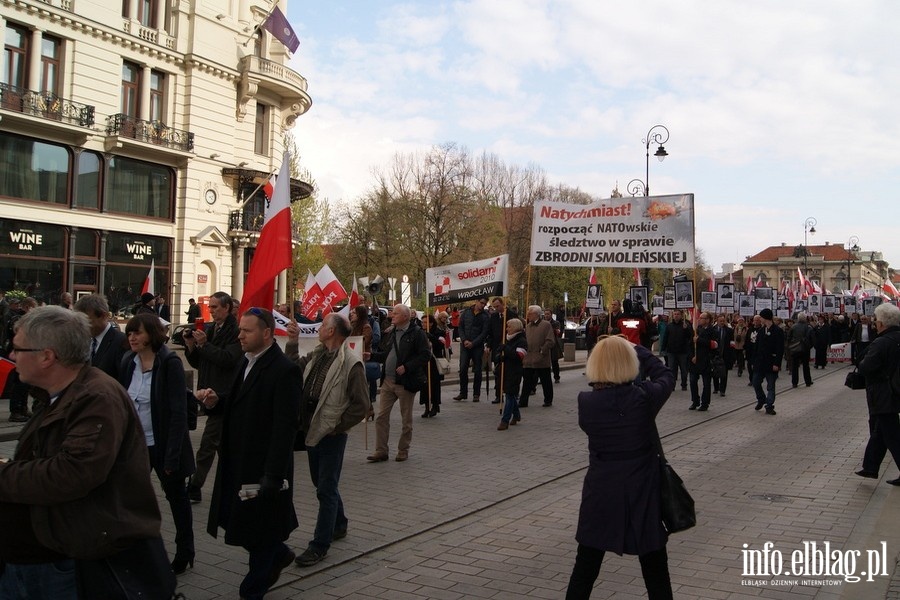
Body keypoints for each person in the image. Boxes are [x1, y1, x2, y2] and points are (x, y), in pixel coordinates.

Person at [0, 306, 172, 599]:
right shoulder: (58, 393)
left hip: (65, 565)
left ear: (47, 356)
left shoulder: (97, 398)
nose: (12, 356)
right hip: (39, 558)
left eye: (17, 348)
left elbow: (71, 473)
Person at [201, 307, 301, 600]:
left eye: (247, 331)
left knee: (261, 531)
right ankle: (280, 554)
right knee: (245, 525)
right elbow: (241, 401)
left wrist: (273, 474)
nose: (240, 335)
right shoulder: (246, 362)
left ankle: (252, 590)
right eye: (240, 329)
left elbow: (285, 428)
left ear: (267, 333)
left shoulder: (285, 370)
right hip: (238, 461)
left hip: (263, 467)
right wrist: (215, 402)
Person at [565, 335, 674, 599]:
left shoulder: (586, 402)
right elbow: (666, 376)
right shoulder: (643, 398)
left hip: (601, 487)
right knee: (655, 566)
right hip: (642, 487)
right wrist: (640, 350)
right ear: (630, 362)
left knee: (586, 564)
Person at [285, 313, 370, 567]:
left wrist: (337, 427)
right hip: (311, 430)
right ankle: (340, 523)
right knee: (322, 483)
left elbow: (361, 405)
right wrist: (292, 341)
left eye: (323, 326)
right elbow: (291, 370)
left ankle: (320, 544)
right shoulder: (317, 356)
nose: (320, 329)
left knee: (325, 488)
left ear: (332, 331)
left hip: (330, 435)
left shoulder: (351, 364)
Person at [120, 313, 196, 574]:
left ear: (151, 334)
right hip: (136, 446)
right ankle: (140, 552)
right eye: (129, 333)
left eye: (137, 333)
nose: (132, 337)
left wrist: (172, 456)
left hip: (164, 445)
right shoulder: (128, 361)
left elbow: (177, 412)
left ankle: (185, 550)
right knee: (135, 500)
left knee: (177, 499)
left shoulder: (169, 362)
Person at [184, 291, 242, 504]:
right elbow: (201, 363)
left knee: (209, 444)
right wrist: (191, 346)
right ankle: (228, 485)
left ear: (227, 308)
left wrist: (204, 345)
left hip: (224, 396)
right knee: (219, 445)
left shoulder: (235, 331)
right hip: (209, 393)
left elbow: (228, 359)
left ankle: (195, 486)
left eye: (216, 307)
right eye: (211, 307)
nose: (212, 311)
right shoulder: (210, 328)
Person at [367, 304, 431, 463]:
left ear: (405, 317)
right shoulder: (391, 332)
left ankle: (403, 450)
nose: (391, 316)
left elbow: (425, 355)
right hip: (388, 381)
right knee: (381, 417)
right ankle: (381, 450)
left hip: (405, 382)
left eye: (395, 314)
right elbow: (387, 354)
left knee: (406, 420)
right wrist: (372, 356)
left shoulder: (417, 333)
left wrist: (407, 367)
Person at [855, 303, 900, 484]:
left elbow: (866, 366)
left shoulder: (881, 342)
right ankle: (870, 467)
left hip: (882, 393)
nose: (874, 323)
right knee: (880, 431)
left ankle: (871, 467)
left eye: (876, 320)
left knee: (892, 435)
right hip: (894, 391)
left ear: (882, 323)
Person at [73, 293, 127, 379]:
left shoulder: (121, 342)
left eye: (87, 322)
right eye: (80, 323)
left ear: (103, 316)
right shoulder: (83, 341)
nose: (82, 327)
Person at [454, 298, 490, 402]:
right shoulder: (466, 312)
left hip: (477, 346)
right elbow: (460, 327)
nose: (482, 305)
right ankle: (463, 392)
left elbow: (484, 332)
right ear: (476, 301)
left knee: (477, 370)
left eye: (484, 303)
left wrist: (473, 343)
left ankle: (476, 393)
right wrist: (464, 340)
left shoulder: (485, 316)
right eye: (481, 302)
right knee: (463, 368)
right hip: (465, 345)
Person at [519, 305, 555, 408]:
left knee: (545, 380)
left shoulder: (546, 325)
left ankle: (548, 400)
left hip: (541, 358)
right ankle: (523, 401)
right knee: (526, 381)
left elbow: (550, 341)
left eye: (529, 313)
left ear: (536, 314)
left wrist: (542, 350)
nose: (528, 315)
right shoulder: (528, 326)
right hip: (528, 359)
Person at [495, 318, 527, 430]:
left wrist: (506, 350)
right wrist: (500, 356)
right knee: (511, 395)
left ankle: (505, 420)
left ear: (515, 328)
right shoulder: (507, 339)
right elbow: (503, 353)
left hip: (515, 371)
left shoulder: (521, 340)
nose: (507, 329)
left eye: (509, 327)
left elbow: (519, 356)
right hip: (505, 370)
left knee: (509, 395)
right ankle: (517, 415)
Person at [752, 308, 784, 415]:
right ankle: (761, 399)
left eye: (761, 317)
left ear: (765, 318)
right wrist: (754, 361)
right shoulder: (761, 331)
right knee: (755, 382)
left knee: (770, 386)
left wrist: (777, 363)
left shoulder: (778, 331)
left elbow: (780, 349)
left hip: (771, 363)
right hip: (760, 363)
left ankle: (769, 405)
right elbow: (757, 347)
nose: (760, 319)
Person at [487, 297, 516, 403]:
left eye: (498, 306)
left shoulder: (511, 314)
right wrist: (489, 345)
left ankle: (511, 393)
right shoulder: (494, 316)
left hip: (509, 346)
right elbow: (490, 332)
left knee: (508, 372)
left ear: (503, 304)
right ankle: (498, 395)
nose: (496, 308)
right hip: (497, 347)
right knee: (498, 372)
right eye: (494, 307)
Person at [689, 312, 716, 411]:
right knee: (692, 381)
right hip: (695, 361)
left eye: (702, 318)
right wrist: (692, 356)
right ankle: (695, 401)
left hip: (706, 361)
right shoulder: (697, 330)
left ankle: (705, 403)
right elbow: (690, 345)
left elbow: (714, 345)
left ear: (708, 320)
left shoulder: (713, 331)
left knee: (706, 383)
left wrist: (699, 340)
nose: (699, 319)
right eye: (699, 317)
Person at [422, 314, 448, 418]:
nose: (423, 324)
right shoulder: (420, 332)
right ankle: (426, 406)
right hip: (424, 362)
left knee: (434, 385)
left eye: (425, 322)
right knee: (424, 385)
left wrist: (431, 337)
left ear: (431, 323)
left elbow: (441, 345)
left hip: (434, 362)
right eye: (422, 322)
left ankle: (435, 405)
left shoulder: (438, 332)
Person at [663, 309, 692, 391]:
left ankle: (684, 385)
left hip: (682, 351)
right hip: (671, 351)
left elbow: (690, 337)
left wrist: (686, 329)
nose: (676, 315)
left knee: (683, 369)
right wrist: (663, 349)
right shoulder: (669, 326)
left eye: (678, 314)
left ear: (681, 315)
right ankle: (672, 385)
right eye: (675, 314)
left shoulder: (685, 325)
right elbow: (665, 338)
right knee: (671, 369)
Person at [787, 312, 814, 387]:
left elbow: (788, 337)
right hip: (805, 349)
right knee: (806, 366)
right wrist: (809, 346)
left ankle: (794, 383)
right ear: (805, 318)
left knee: (794, 366)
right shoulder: (808, 327)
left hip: (795, 349)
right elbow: (812, 339)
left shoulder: (793, 327)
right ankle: (808, 381)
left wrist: (791, 346)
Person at [712, 314, 734, 397]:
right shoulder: (713, 330)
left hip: (725, 354)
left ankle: (722, 390)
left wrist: (732, 356)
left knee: (724, 374)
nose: (722, 322)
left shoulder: (729, 330)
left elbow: (732, 343)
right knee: (715, 372)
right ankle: (716, 387)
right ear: (717, 321)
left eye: (723, 321)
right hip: (715, 354)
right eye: (720, 321)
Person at [544, 307, 563, 383]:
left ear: (551, 315)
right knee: (545, 363)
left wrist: (557, 331)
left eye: (548, 314)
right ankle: (544, 378)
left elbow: (557, 332)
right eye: (545, 314)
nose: (546, 315)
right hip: (545, 344)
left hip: (553, 344)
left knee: (554, 362)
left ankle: (556, 377)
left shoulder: (555, 323)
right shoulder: (542, 323)